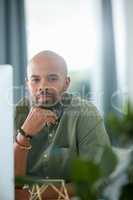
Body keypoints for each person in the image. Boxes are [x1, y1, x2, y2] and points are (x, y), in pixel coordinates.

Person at [14, 50, 110, 199]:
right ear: (27, 84)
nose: (43, 86)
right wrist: (23, 135)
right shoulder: (14, 115)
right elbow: (9, 182)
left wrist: (34, 196)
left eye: (52, 78)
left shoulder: (85, 113)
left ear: (66, 83)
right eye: (35, 79)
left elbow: (97, 178)